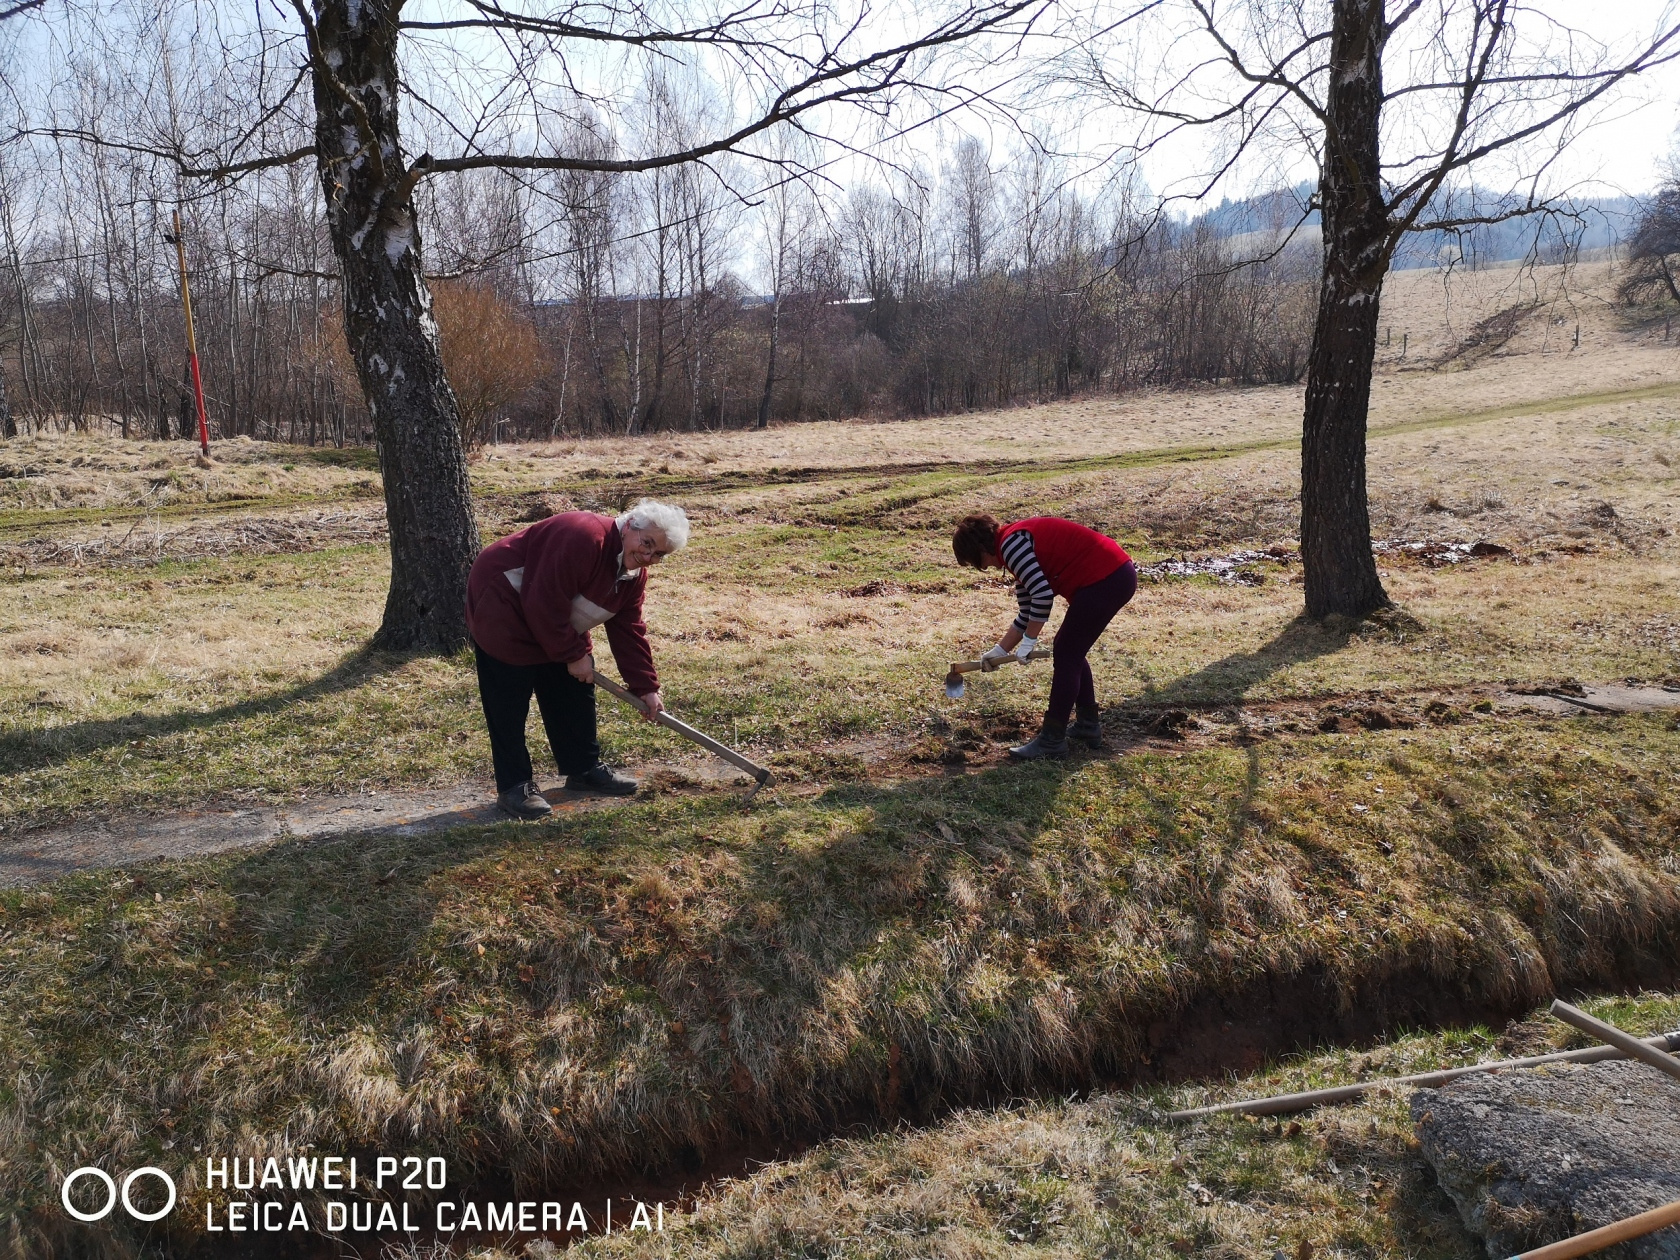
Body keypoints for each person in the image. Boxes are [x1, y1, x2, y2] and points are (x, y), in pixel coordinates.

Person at [465, 499, 689, 817]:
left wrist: (646, 686)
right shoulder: (583, 536)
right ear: (630, 526)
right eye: (647, 543)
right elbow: (542, 599)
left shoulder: (633, 575)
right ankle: (515, 785)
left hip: (554, 613)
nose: (649, 556)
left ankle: (583, 769)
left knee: (574, 687)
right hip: (503, 605)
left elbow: (629, 629)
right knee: (509, 698)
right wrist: (572, 653)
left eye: (659, 554)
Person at [951, 512, 1137, 759]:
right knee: (1070, 650)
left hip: (1108, 577)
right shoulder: (1013, 548)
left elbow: (1042, 595)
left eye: (978, 562)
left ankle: (1052, 740)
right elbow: (1027, 613)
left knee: (1067, 652)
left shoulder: (1011, 546)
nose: (984, 568)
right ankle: (1087, 726)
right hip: (1110, 576)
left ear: (981, 548)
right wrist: (999, 651)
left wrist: (1029, 641)